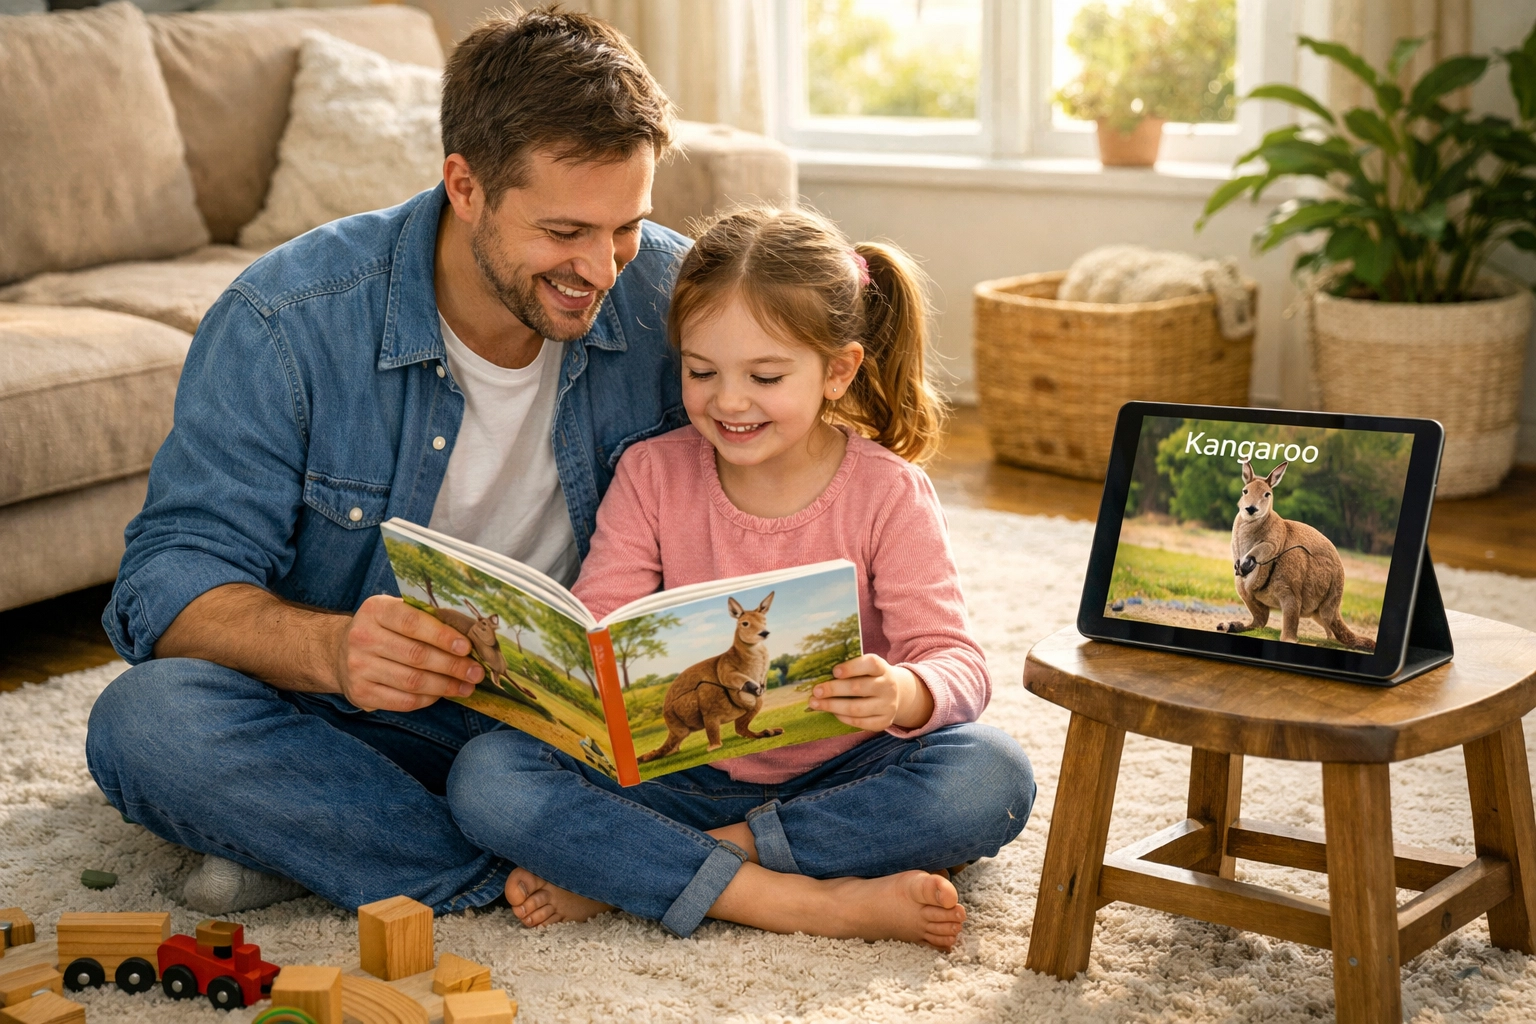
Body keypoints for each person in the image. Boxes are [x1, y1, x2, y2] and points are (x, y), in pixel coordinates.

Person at [85, 8, 691, 915]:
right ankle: (529, 869)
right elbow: (168, 583)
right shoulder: (285, 321)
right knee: (149, 724)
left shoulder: (672, 300)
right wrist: (335, 650)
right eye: (565, 232)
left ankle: (332, 846)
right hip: (353, 721)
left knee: (948, 771)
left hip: (561, 741)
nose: (601, 269)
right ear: (465, 185)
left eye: (627, 228)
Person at [446, 207, 1036, 949]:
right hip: (681, 778)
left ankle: (663, 870)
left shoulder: (888, 493)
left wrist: (904, 691)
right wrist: (559, 661)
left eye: (764, 376)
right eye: (701, 372)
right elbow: (601, 620)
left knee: (991, 777)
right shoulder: (652, 473)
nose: (728, 401)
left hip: (845, 773)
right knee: (488, 774)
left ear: (838, 370)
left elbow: (957, 662)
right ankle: (804, 898)